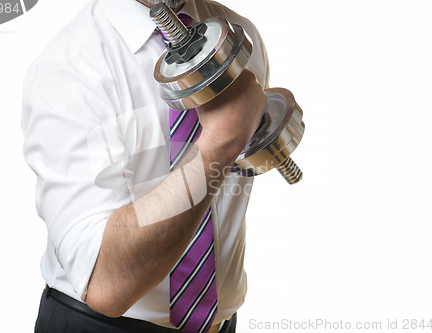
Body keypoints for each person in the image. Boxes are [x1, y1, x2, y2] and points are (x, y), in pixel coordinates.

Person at [22, 0, 269, 332]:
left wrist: (259, 130)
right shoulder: (70, 67)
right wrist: (219, 143)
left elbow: (233, 179)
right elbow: (107, 285)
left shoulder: (240, 36)